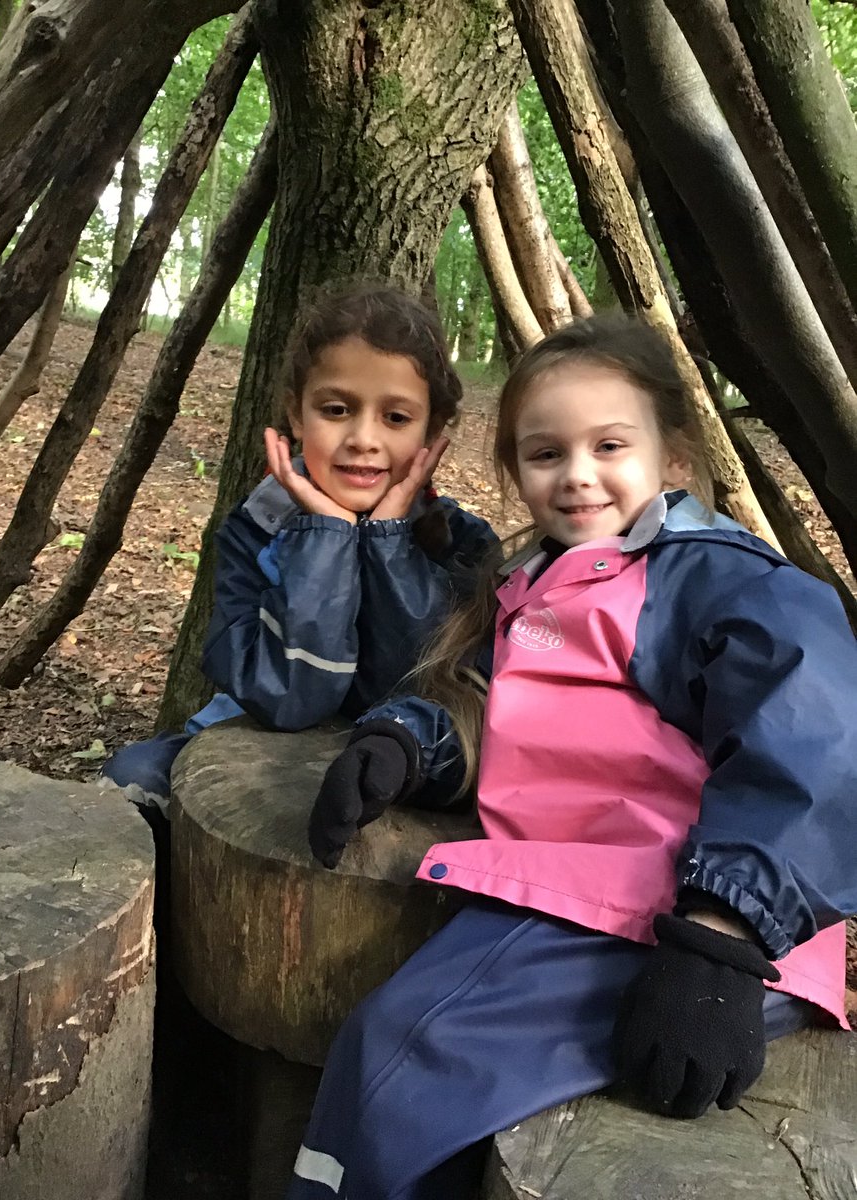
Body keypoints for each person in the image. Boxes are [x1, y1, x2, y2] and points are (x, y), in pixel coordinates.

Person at [290, 314, 857, 1200]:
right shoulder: (544, 583)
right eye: (545, 453)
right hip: (574, 889)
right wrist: (406, 743)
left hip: (672, 914)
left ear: (671, 457)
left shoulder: (713, 580)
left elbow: (815, 737)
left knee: (400, 1059)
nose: (577, 474)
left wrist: (721, 941)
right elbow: (498, 706)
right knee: (388, 1049)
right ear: (516, 472)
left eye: (609, 445)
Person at [101, 285, 496, 812]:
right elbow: (289, 700)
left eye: (396, 418)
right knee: (130, 779)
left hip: (396, 759)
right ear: (296, 414)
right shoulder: (254, 532)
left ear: (433, 431)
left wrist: (387, 539)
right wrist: (329, 534)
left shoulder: (465, 547)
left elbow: (418, 683)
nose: (362, 437)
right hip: (251, 741)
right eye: (336, 409)